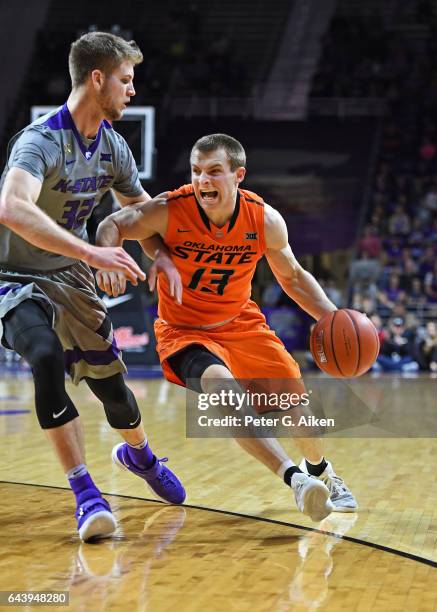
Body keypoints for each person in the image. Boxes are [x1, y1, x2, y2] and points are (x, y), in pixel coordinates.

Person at [96, 133, 357, 522]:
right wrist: (106, 259)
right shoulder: (171, 208)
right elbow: (112, 224)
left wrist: (334, 318)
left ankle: (322, 472)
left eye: (214, 172)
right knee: (223, 391)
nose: (203, 181)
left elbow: (294, 277)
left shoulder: (264, 219)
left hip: (240, 321)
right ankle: (296, 481)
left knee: (295, 406)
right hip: (183, 329)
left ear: (239, 175)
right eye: (197, 171)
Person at [0, 31, 185, 542]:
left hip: (70, 278)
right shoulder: (40, 141)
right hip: (12, 275)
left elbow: (140, 214)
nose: (132, 91)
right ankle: (86, 494)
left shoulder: (114, 148)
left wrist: (163, 258)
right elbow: (12, 208)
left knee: (113, 393)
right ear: (97, 78)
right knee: (42, 355)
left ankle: (139, 455)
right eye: (125, 80)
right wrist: (89, 251)